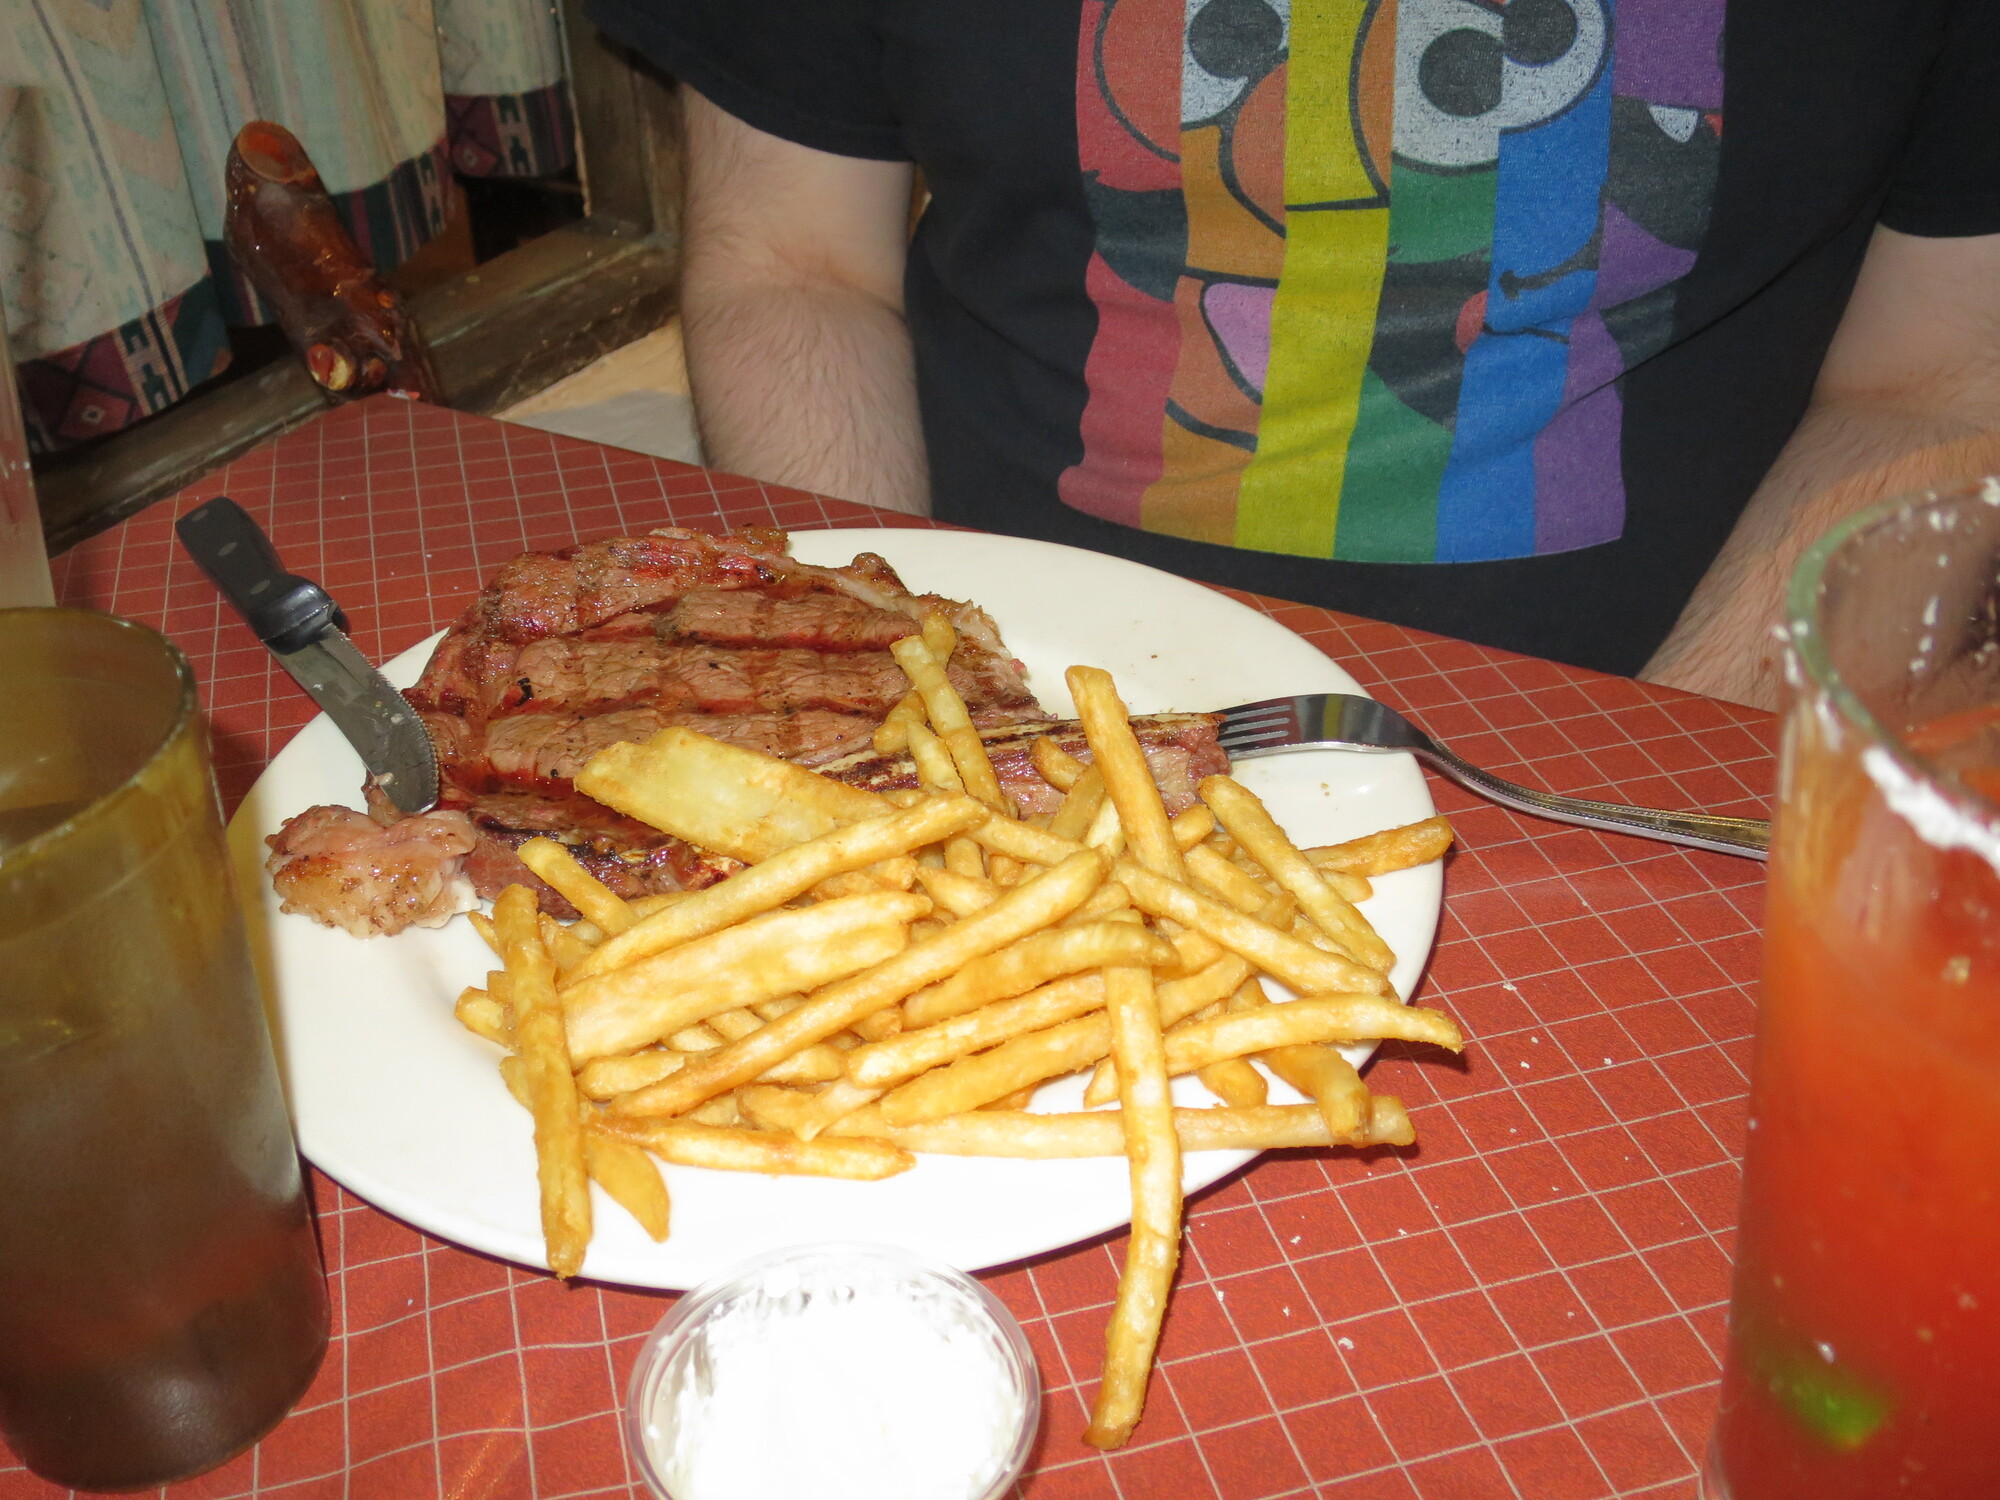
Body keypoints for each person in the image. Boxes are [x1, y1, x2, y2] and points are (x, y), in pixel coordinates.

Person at [586, 0, 2000, 709]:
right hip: (1003, 687)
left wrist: (1664, 766)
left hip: (1668, 704)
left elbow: (1933, 379)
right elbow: (796, 266)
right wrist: (875, 681)